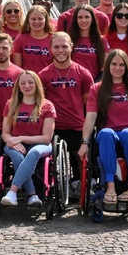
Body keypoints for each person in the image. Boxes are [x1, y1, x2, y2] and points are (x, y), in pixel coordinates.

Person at [78, 50, 128, 204]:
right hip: (109, 133)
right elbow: (91, 116)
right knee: (105, 133)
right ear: (107, 66)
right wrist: (85, 142)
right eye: (114, 64)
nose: (117, 68)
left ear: (126, 67)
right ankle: (110, 185)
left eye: (121, 64)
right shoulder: (97, 89)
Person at [38, 32, 94, 176]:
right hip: (53, 127)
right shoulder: (43, 75)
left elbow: (88, 101)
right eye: (56, 47)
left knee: (83, 161)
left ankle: (83, 186)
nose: (60, 50)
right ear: (50, 48)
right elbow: (41, 102)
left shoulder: (83, 73)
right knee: (45, 162)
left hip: (76, 125)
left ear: (71, 47)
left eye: (64, 46)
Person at [0, 71, 56, 207]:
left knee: (34, 153)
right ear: (18, 86)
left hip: (40, 144)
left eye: (30, 82)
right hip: (15, 144)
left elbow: (47, 138)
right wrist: (12, 142)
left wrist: (20, 138)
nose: (27, 86)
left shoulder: (47, 106)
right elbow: (5, 133)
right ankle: (32, 194)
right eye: (23, 83)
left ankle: (13, 191)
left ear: (37, 85)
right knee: (17, 156)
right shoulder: (11, 104)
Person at [68, 4, 108, 79]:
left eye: (87, 17)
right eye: (80, 17)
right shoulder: (69, 39)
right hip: (73, 83)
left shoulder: (101, 40)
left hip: (95, 83)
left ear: (92, 19)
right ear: (75, 20)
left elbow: (105, 67)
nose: (83, 20)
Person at [12, 4, 53, 72]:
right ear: (28, 20)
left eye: (40, 19)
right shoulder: (20, 39)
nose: (37, 22)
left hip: (46, 80)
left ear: (46, 20)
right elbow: (17, 68)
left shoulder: (53, 39)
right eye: (33, 19)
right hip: (27, 81)